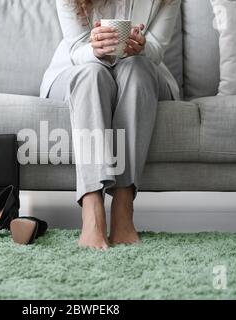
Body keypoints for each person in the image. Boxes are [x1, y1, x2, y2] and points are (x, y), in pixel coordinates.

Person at [40, 0, 181, 249]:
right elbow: (75, 49)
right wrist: (94, 50)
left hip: (140, 70)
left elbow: (157, 50)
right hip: (80, 68)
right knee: (92, 74)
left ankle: (123, 209)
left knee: (136, 69)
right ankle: (92, 211)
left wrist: (142, 48)